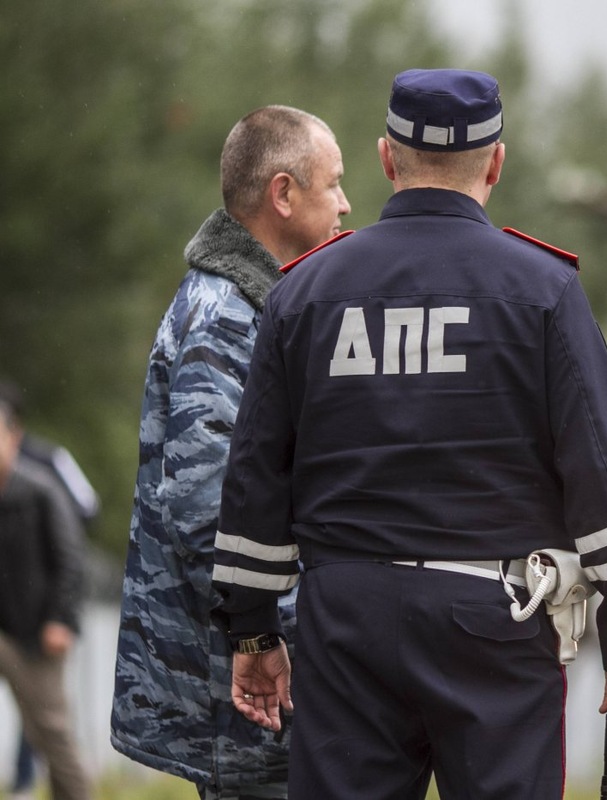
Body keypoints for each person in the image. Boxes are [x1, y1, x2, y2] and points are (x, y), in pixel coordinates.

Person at [212, 68, 607, 800]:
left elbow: (256, 475)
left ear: (387, 158)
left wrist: (253, 631)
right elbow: (605, 480)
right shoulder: (543, 290)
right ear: (495, 162)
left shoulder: (302, 292)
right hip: (494, 623)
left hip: (345, 621)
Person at [110, 105, 351, 800]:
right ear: (283, 194)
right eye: (332, 183)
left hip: (255, 673)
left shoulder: (255, 304)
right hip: (244, 684)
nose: (345, 202)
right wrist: (270, 635)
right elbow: (203, 508)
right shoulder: (225, 316)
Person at [0, 379, 100, 800]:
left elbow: (71, 556)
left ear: (14, 433)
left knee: (51, 730)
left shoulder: (42, 483)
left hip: (36, 629)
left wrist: (61, 618)